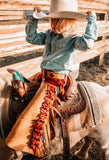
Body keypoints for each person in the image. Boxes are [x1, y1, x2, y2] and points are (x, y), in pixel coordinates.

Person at [6, 0, 98, 158]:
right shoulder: (50, 34)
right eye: (52, 19)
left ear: (68, 21)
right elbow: (32, 38)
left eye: (57, 20)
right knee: (21, 94)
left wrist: (92, 22)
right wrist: (33, 19)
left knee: (37, 109)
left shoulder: (74, 38)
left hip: (56, 81)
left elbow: (87, 44)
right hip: (43, 75)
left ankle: (37, 146)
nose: (53, 23)